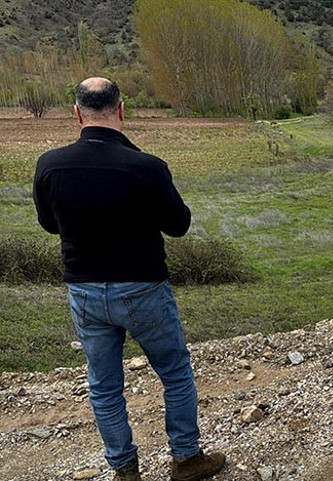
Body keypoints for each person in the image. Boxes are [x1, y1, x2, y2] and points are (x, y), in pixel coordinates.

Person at [33, 77, 226, 481]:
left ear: (77, 114)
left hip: (84, 290)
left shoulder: (50, 165)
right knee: (174, 373)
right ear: (122, 111)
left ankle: (124, 470)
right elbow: (179, 225)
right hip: (143, 289)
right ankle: (187, 459)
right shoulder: (147, 167)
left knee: (104, 387)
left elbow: (50, 225)